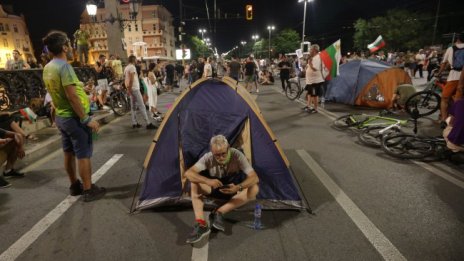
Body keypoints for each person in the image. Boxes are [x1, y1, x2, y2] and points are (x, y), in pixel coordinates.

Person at [42, 30, 105, 202]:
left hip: (61, 117)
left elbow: (57, 91)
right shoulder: (64, 67)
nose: (71, 47)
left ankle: (74, 186)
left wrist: (80, 88)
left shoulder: (48, 68)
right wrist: (86, 119)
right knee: (83, 154)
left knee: (68, 153)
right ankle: (88, 189)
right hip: (74, 118)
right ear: (64, 47)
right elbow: (71, 96)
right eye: (69, 44)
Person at [184, 135, 259, 244]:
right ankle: (201, 224)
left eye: (223, 153)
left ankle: (219, 212)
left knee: (254, 188)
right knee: (194, 183)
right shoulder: (208, 157)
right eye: (217, 155)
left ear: (228, 148)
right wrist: (207, 181)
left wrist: (238, 187)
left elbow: (254, 177)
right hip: (214, 189)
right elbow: (188, 173)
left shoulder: (237, 155)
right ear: (212, 151)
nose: (220, 158)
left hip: (233, 191)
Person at [124, 55, 157, 130]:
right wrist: (129, 89)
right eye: (136, 59)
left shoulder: (126, 67)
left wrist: (128, 89)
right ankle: (148, 123)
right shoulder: (132, 67)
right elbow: (131, 79)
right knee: (142, 105)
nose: (136, 61)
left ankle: (134, 123)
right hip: (134, 89)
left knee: (133, 107)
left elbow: (126, 79)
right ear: (133, 60)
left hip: (131, 89)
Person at [438, 34, 464, 126]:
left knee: (444, 98)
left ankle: (444, 120)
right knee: (458, 100)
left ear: (457, 39)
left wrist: (439, 73)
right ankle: (456, 121)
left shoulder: (450, 49)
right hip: (463, 78)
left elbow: (444, 63)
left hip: (454, 77)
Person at [303, 45, 325, 113]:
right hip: (311, 81)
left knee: (314, 95)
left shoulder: (318, 57)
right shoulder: (314, 57)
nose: (310, 51)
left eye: (311, 49)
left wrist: (310, 64)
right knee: (311, 94)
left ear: (314, 50)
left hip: (315, 81)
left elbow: (316, 69)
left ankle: (315, 109)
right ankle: (310, 106)